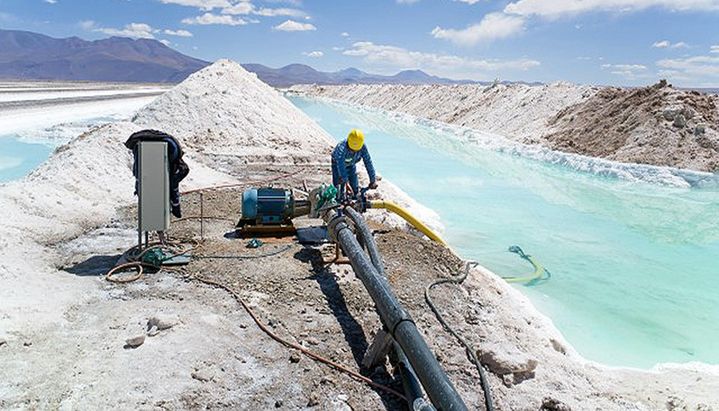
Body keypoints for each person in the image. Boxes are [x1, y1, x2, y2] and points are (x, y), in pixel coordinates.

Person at [125, 130, 190, 218]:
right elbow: (174, 187)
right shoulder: (173, 155)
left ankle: (155, 221)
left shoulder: (172, 152)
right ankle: (163, 217)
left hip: (156, 154)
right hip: (163, 152)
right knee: (170, 186)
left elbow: (137, 171)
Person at [331, 129, 377, 199]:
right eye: (352, 150)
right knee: (339, 188)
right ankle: (338, 203)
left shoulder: (363, 147)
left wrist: (372, 180)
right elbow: (340, 165)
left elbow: (368, 162)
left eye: (356, 150)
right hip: (337, 164)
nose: (353, 152)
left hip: (351, 164)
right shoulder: (341, 148)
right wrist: (346, 182)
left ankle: (354, 201)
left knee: (354, 186)